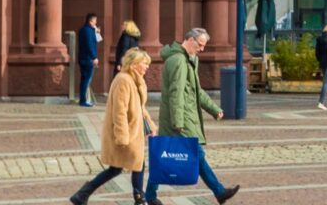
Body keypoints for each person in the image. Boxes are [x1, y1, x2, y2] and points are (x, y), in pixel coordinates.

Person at [155, 28, 241, 203]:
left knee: (164, 158)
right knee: (197, 155)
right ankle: (219, 191)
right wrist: (178, 122)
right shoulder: (179, 60)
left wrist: (214, 109)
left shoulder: (188, 59)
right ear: (190, 40)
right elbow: (176, 93)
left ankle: (149, 195)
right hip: (180, 119)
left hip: (182, 117)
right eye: (200, 45)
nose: (202, 49)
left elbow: (197, 91)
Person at [71, 46, 154, 204]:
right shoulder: (123, 80)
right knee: (131, 164)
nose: (147, 66)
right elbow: (119, 111)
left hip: (134, 133)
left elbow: (140, 107)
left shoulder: (137, 80)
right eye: (144, 63)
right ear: (134, 63)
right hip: (126, 133)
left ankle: (82, 194)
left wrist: (150, 124)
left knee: (124, 166)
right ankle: (139, 198)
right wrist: (122, 137)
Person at [75, 12, 104, 106]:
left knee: (85, 79)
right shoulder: (87, 30)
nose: (96, 23)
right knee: (86, 79)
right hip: (87, 59)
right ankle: (83, 101)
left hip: (84, 58)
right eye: (95, 21)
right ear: (91, 21)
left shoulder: (88, 30)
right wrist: (94, 57)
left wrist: (97, 32)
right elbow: (89, 45)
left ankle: (83, 99)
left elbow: (97, 41)